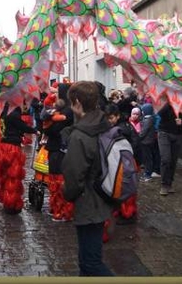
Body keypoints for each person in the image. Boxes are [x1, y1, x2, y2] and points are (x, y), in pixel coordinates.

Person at [62, 81, 115, 276]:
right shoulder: (103, 124)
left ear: (77, 103)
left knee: (90, 262)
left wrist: (66, 192)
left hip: (89, 202)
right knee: (87, 262)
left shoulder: (81, 135)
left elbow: (74, 177)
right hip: (103, 196)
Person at [0, 103, 38, 214]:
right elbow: (22, 126)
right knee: (13, 176)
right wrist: (35, 131)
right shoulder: (13, 113)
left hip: (3, 146)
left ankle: (6, 200)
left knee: (5, 175)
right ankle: (11, 204)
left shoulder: (3, 111)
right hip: (12, 147)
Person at [157, 103, 182, 195]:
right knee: (166, 159)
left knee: (173, 160)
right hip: (164, 133)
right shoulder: (165, 102)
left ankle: (169, 183)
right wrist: (170, 103)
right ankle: (164, 184)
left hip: (178, 134)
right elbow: (160, 112)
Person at [138, 103, 157, 182]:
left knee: (147, 159)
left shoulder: (148, 120)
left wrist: (138, 136)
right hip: (148, 141)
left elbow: (143, 132)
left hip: (146, 142)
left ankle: (147, 175)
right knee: (148, 158)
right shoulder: (150, 118)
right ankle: (147, 173)